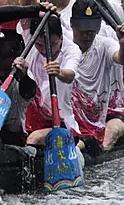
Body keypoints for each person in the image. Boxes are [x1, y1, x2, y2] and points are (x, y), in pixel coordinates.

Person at [0, 3, 56, 146]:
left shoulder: (22, 76)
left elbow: (29, 91)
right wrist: (32, 10)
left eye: (6, 70)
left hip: (10, 140)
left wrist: (23, 77)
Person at [68, 0, 124, 152]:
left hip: (109, 111)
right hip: (74, 115)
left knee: (107, 139)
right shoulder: (64, 45)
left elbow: (122, 59)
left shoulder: (106, 44)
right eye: (82, 30)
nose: (87, 36)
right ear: (71, 24)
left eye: (92, 30)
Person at [21, 14, 82, 145]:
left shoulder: (72, 50)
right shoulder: (30, 38)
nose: (44, 50)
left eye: (52, 44)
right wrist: (37, 9)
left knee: (34, 139)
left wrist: (58, 72)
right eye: (39, 45)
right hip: (36, 113)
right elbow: (24, 4)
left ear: (61, 38)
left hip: (63, 120)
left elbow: (70, 75)